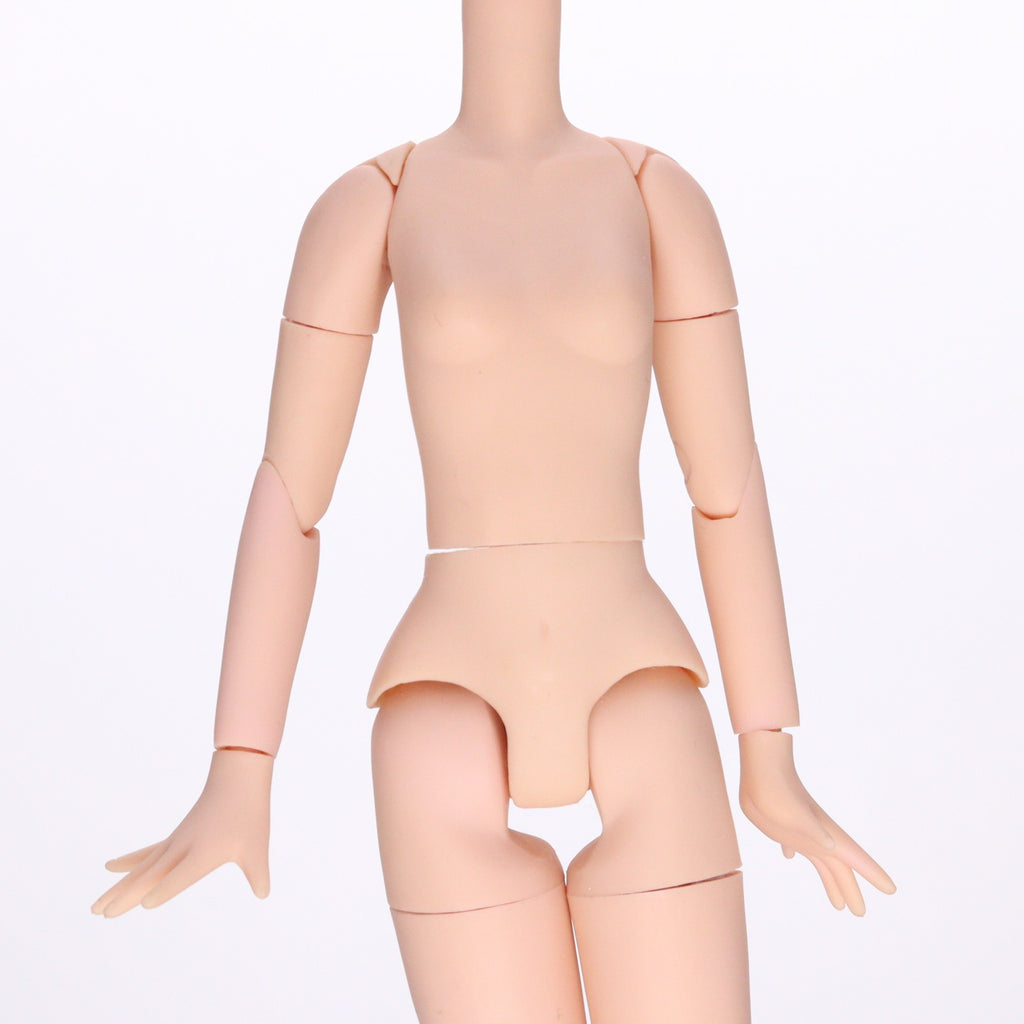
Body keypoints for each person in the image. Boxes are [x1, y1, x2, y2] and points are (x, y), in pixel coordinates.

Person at [93, 2, 895, 1020]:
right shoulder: (375, 202)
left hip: (638, 675)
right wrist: (239, 767)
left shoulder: (654, 193)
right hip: (444, 687)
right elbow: (291, 494)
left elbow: (726, 489)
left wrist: (768, 749)